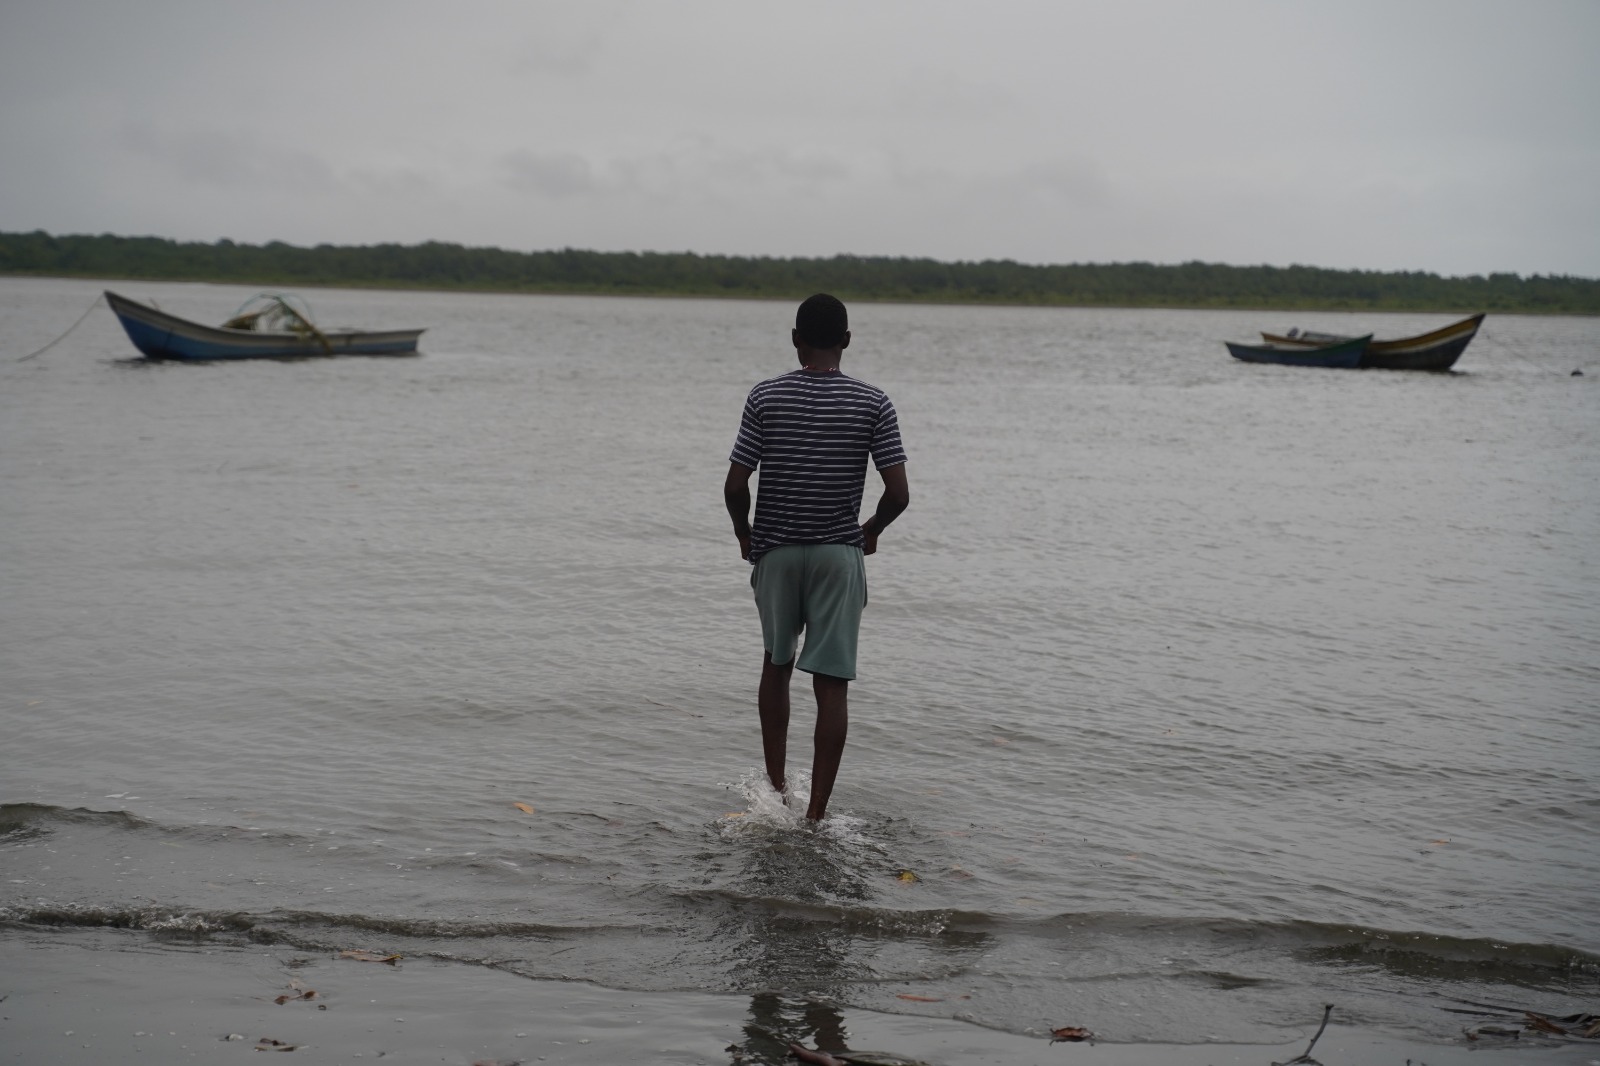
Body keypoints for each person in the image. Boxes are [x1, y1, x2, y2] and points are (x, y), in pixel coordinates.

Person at [723, 293, 909, 821]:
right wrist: (869, 532)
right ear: (846, 341)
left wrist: (745, 534)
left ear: (795, 339)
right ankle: (815, 816)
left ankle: (776, 791)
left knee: (776, 665)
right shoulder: (873, 403)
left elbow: (737, 483)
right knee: (831, 685)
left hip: (777, 552)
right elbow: (898, 494)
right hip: (836, 553)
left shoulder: (765, 397)